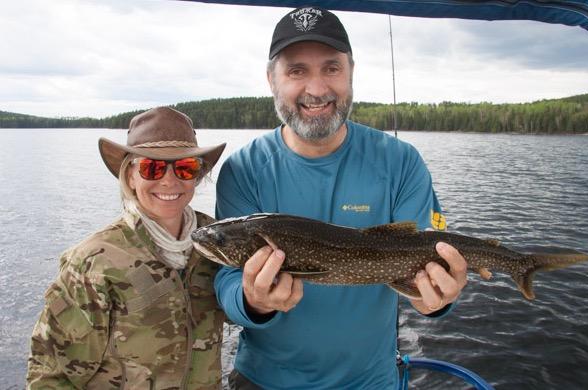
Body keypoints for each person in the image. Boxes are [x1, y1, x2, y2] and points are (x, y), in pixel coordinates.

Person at [214, 7, 468, 389]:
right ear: (272, 79)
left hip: (372, 381)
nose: (316, 89)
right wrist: (253, 300)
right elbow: (225, 281)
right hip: (263, 380)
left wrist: (439, 300)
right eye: (297, 71)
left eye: (331, 68)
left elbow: (429, 265)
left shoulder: (401, 162)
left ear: (351, 72)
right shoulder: (242, 170)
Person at [27, 107, 226, 389]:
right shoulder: (93, 262)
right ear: (130, 176)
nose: (169, 180)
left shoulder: (220, 242)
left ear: (196, 175)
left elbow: (244, 307)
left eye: (185, 167)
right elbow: (51, 374)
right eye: (152, 167)